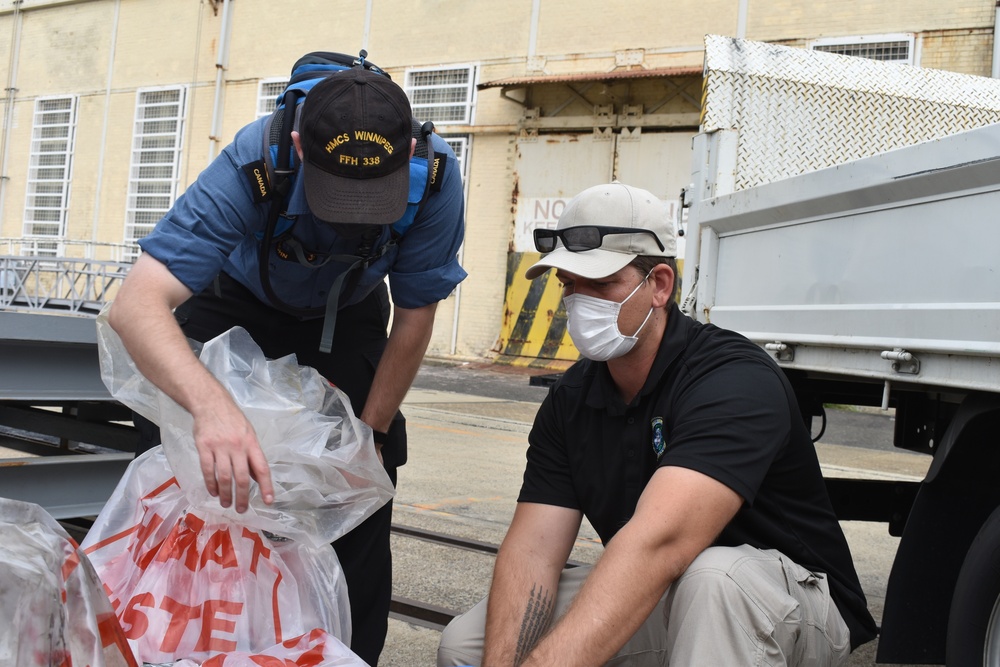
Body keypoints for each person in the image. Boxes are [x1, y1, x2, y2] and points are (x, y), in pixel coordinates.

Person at [108, 61, 467, 666]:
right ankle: (181, 643)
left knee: (359, 494)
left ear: (406, 151)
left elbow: (413, 315)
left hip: (347, 310)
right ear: (300, 145)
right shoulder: (258, 156)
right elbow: (137, 305)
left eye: (371, 196)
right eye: (336, 194)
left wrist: (369, 433)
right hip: (235, 301)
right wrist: (211, 408)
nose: (353, 214)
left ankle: (343, 653)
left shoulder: (432, 177)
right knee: (189, 474)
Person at [437, 182, 876, 666]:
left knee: (716, 580)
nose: (580, 303)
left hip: (790, 610)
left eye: (602, 285)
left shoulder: (733, 380)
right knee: (467, 647)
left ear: (660, 285)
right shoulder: (572, 399)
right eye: (569, 285)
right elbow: (533, 554)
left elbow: (659, 544)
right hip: (674, 589)